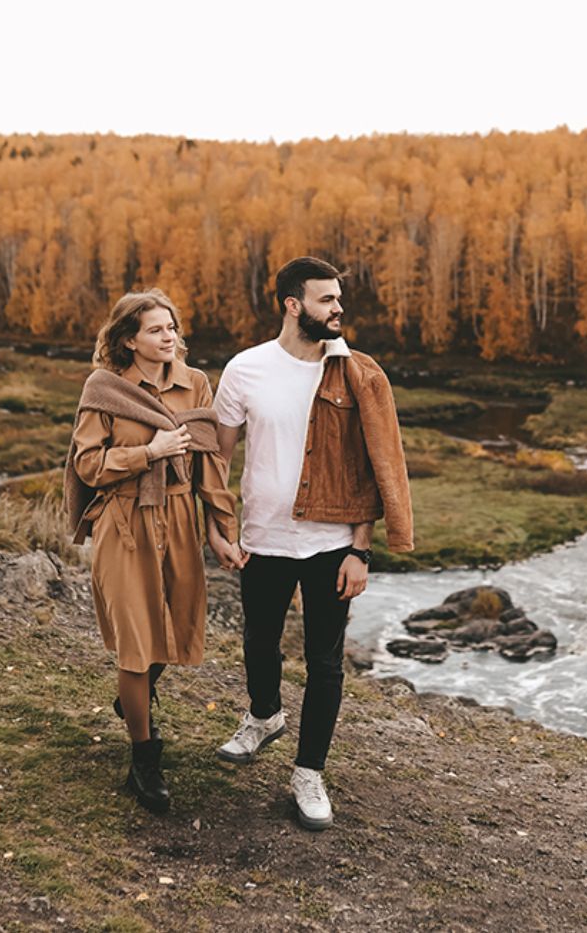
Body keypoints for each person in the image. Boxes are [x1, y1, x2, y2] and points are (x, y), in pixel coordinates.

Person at [212, 256, 413, 831]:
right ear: (293, 305)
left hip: (331, 544)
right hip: (263, 538)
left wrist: (360, 550)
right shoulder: (246, 369)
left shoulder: (356, 374)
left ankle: (309, 773)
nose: (338, 309)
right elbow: (218, 459)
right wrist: (217, 528)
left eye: (339, 299)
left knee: (325, 662)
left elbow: (370, 467)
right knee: (259, 641)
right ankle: (264, 716)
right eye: (327, 299)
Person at [64, 289, 245, 814]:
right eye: (156, 330)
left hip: (181, 519)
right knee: (137, 643)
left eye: (172, 328)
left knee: (176, 628)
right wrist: (149, 451)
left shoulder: (195, 384)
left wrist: (221, 529)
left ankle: (133, 698)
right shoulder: (104, 387)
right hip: (124, 522)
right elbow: (87, 465)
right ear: (129, 339)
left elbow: (210, 463)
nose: (169, 337)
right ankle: (144, 759)